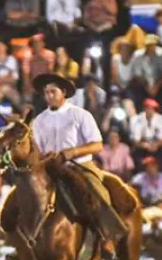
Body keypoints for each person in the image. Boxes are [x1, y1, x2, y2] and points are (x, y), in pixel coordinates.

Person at [30, 72, 130, 239]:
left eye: (53, 91)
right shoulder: (39, 120)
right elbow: (37, 148)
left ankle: (108, 236)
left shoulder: (80, 115)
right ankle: (22, 239)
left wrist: (72, 152)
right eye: (46, 93)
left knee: (97, 192)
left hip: (79, 166)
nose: (49, 96)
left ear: (63, 92)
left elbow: (97, 144)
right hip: (49, 167)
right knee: (24, 192)